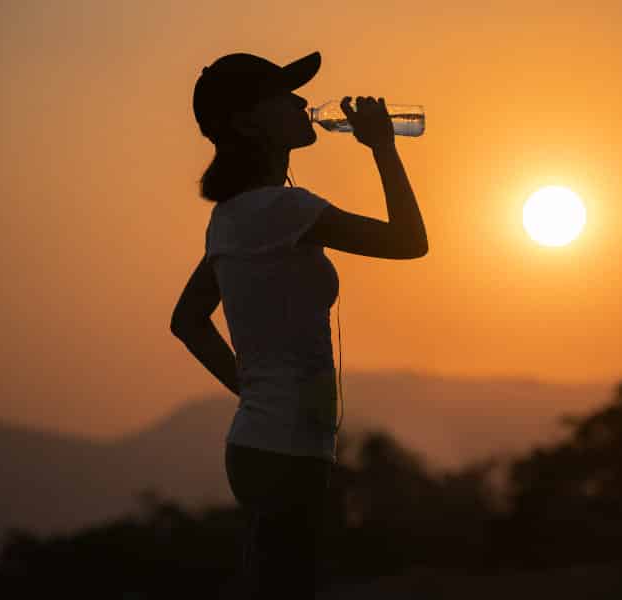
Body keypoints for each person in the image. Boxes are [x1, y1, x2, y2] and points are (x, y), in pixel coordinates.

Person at [186, 50, 429, 599]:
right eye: (283, 95)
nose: (301, 102)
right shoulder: (281, 210)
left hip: (266, 443)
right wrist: (384, 147)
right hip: (283, 452)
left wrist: (251, 390)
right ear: (249, 122)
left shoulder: (234, 214)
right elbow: (410, 242)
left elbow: (188, 321)